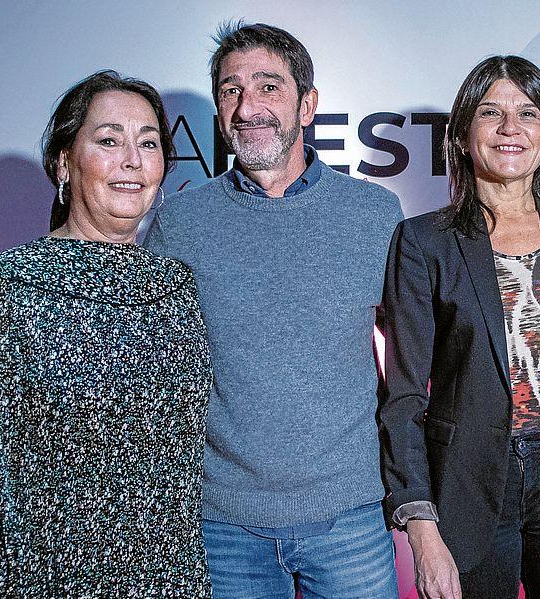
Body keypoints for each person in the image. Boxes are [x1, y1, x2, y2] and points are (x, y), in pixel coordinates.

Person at [0, 70, 212, 597]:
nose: (132, 159)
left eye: (148, 143)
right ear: (63, 163)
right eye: (109, 140)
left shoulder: (176, 288)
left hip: (170, 579)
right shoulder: (5, 290)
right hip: (49, 581)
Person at [142, 21, 403, 598]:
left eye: (268, 87)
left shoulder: (375, 214)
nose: (248, 106)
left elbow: (412, 365)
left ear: (307, 105)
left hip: (350, 514)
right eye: (231, 90)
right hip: (223, 523)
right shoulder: (180, 223)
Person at [379, 55, 540, 599]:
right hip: (467, 487)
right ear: (463, 135)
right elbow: (405, 396)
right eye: (490, 113)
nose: (511, 128)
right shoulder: (423, 241)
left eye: (528, 113)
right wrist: (421, 527)